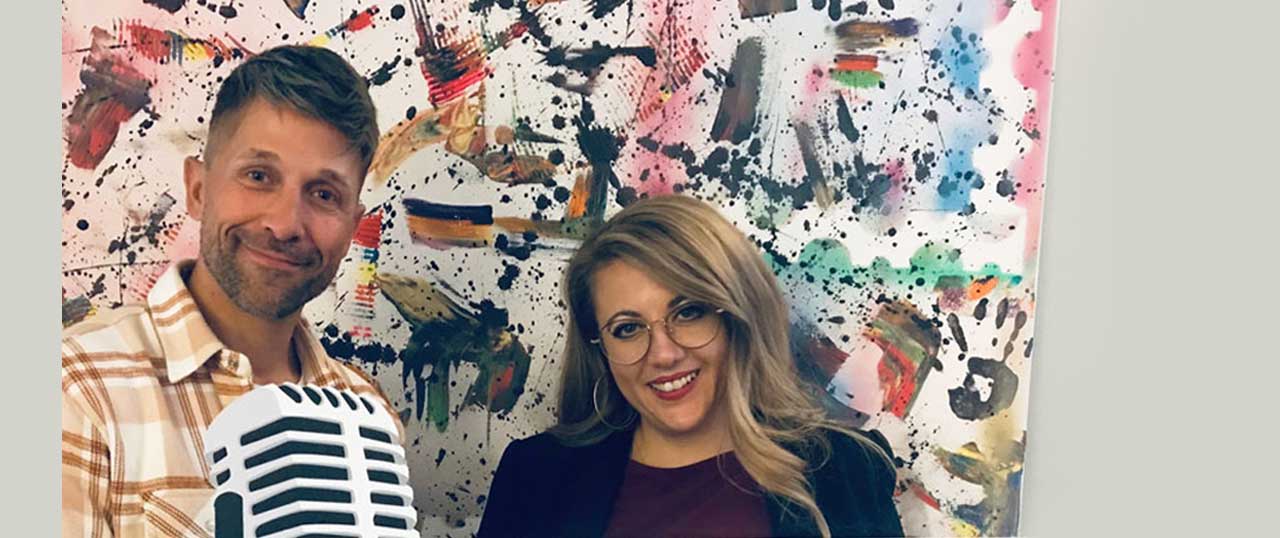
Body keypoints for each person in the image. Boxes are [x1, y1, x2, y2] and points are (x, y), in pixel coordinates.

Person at [61, 45, 402, 537]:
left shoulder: (370, 412)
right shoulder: (76, 389)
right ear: (198, 189)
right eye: (258, 176)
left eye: (324, 194)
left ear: (352, 226)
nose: (285, 224)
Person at [478, 195, 904, 538]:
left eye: (688, 312)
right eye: (627, 328)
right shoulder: (535, 477)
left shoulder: (848, 468)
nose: (663, 354)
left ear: (737, 316)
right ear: (600, 348)